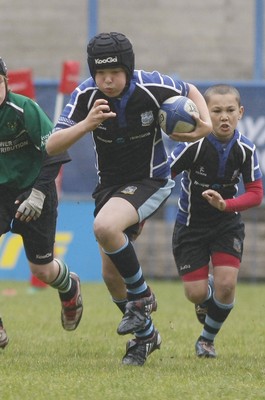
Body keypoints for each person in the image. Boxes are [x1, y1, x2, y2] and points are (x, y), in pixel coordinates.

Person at [46, 31, 212, 366]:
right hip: (110, 188)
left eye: (115, 73)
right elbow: (51, 145)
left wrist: (205, 125)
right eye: (100, 73)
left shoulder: (150, 85)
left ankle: (142, 297)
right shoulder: (86, 94)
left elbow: (189, 89)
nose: (107, 80)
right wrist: (87, 124)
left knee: (105, 226)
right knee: (111, 276)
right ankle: (146, 336)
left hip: (151, 180)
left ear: (129, 68)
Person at [169, 84, 263, 358]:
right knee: (195, 294)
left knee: (227, 284)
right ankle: (205, 292)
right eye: (217, 111)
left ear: (240, 113)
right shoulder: (193, 145)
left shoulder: (245, 149)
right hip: (191, 225)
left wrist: (226, 205)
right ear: (204, 113)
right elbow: (163, 177)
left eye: (230, 110)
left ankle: (206, 340)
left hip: (226, 224)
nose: (224, 117)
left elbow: (256, 194)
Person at [0, 57, 83, 349]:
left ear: (6, 82)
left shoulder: (24, 109)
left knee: (42, 270)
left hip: (35, 189)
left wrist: (37, 194)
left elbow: (56, 153)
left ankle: (69, 287)